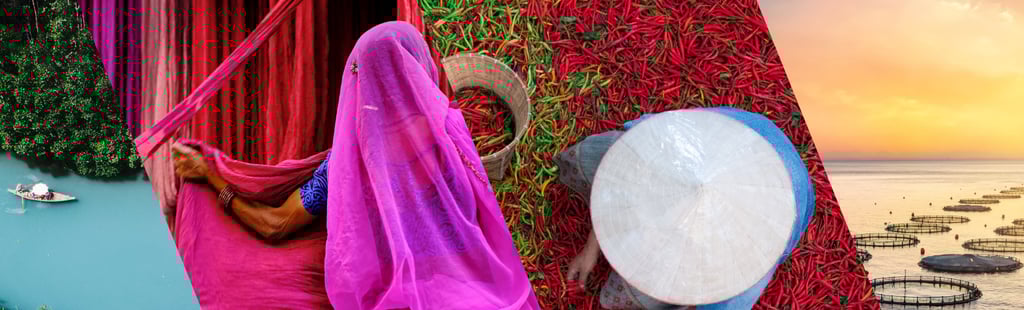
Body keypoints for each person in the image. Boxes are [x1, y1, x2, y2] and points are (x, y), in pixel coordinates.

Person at [167, 21, 540, 309]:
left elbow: (275, 224)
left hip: (396, 299)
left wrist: (212, 178)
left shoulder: (348, 164)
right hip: (474, 292)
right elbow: (485, 213)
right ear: (416, 65)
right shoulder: (448, 128)